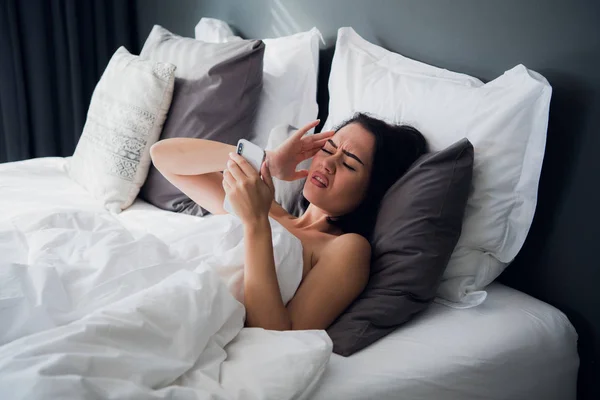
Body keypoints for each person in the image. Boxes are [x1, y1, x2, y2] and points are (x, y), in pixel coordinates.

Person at [149, 113, 427, 331]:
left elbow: (275, 333)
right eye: (328, 149)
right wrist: (267, 160)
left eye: (350, 164)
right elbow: (163, 156)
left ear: (372, 189)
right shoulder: (263, 203)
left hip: (186, 311)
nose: (328, 164)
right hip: (160, 280)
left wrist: (256, 222)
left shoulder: (345, 248)